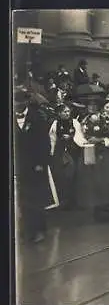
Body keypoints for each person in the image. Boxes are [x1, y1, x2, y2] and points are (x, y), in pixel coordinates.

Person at [72, 93, 109, 221]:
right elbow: (78, 135)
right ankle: (97, 207)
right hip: (91, 151)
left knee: (108, 179)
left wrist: (103, 140)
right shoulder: (84, 120)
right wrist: (87, 142)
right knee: (93, 180)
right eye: (89, 105)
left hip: (106, 151)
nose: (91, 107)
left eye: (94, 105)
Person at [14, 88, 51, 243]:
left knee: (36, 198)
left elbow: (44, 143)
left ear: (26, 102)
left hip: (36, 165)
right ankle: (25, 229)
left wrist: (41, 163)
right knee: (22, 199)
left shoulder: (38, 118)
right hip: (19, 165)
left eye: (20, 102)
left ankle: (38, 229)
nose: (17, 105)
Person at [49, 103, 78, 210]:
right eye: (64, 112)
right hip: (60, 152)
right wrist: (52, 153)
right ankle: (64, 200)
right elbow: (53, 138)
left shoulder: (74, 122)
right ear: (59, 113)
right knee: (61, 176)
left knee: (72, 174)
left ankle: (73, 200)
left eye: (68, 111)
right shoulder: (55, 123)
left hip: (73, 151)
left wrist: (71, 137)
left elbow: (79, 135)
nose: (67, 113)